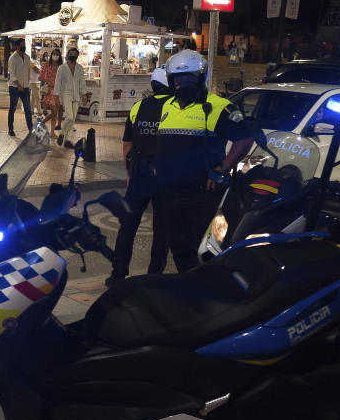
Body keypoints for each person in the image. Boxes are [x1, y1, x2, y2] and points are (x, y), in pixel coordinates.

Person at [153, 50, 254, 272]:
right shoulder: (168, 105)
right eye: (178, 79)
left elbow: (245, 138)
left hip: (201, 194)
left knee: (203, 248)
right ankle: (189, 290)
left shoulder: (217, 106)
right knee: (179, 248)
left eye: (189, 78)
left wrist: (224, 167)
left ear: (200, 78)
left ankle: (206, 290)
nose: (182, 83)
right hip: (170, 192)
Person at [108, 67, 171, 284]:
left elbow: (127, 145)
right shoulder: (176, 108)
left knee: (128, 224)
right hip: (165, 175)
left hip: (139, 173)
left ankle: (117, 274)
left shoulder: (138, 106)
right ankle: (154, 275)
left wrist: (129, 173)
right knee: (162, 227)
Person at [54, 47, 86, 148]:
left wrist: (84, 94)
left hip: (76, 95)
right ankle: (62, 133)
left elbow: (82, 82)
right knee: (70, 117)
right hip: (65, 95)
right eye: (71, 54)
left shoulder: (80, 68)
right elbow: (58, 82)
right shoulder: (62, 68)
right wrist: (56, 95)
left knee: (72, 120)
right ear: (68, 55)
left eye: (75, 54)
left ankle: (67, 140)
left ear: (77, 56)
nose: (73, 56)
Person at [6, 40, 33, 136]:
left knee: (27, 109)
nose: (24, 47)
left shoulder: (27, 57)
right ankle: (10, 129)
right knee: (12, 108)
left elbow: (28, 71)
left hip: (25, 87)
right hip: (14, 87)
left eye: (24, 45)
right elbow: (12, 74)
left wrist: (27, 83)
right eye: (22, 45)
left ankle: (31, 129)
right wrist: (19, 85)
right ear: (17, 46)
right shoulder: (13, 58)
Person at [39, 48, 62, 137]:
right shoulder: (46, 65)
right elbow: (40, 77)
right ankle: (43, 123)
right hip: (49, 91)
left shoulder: (61, 66)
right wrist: (48, 81)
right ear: (51, 55)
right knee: (54, 111)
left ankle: (52, 132)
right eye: (54, 54)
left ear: (59, 56)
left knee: (55, 112)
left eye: (57, 54)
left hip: (58, 91)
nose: (55, 56)